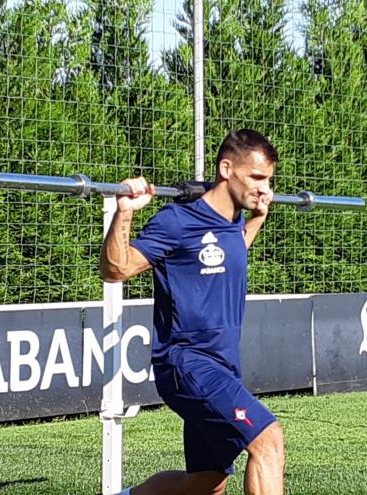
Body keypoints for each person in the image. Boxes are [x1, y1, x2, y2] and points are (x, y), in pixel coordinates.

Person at [100, 129, 284, 495]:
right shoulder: (177, 221)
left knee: (207, 482)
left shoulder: (233, 222)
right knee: (268, 440)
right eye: (257, 178)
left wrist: (258, 218)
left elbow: (229, 253)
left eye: (269, 180)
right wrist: (124, 213)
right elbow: (116, 269)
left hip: (223, 365)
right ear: (226, 168)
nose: (264, 188)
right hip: (187, 363)